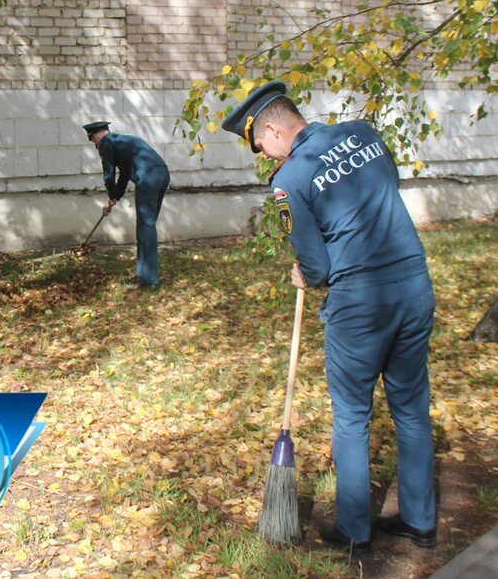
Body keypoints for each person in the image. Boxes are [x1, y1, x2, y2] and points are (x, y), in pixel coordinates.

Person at [223, 81, 437, 555]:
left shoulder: (287, 183)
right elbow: (388, 188)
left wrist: (305, 273)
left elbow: (316, 266)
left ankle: (356, 530)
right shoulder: (363, 133)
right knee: (411, 408)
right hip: (414, 285)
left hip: (360, 305)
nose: (263, 155)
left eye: (261, 145)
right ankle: (422, 522)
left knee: (353, 415)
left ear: (273, 128)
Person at [82, 121, 171, 288]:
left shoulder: (106, 143)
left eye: (93, 141)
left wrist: (110, 195)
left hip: (148, 178)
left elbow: (108, 175)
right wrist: (114, 199)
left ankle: (150, 280)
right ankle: (142, 274)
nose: (95, 147)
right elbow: (124, 175)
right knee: (147, 226)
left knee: (146, 227)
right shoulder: (124, 140)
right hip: (162, 174)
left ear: (95, 136)